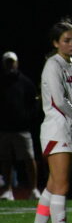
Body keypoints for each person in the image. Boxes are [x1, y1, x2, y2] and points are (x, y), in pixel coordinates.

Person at [25, 19, 72, 223]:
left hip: (69, 130)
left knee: (53, 186)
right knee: (62, 185)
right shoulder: (52, 64)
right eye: (67, 40)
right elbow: (59, 101)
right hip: (56, 129)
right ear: (55, 42)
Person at [0, 51, 41, 201]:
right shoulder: (1, 82)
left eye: (12, 62)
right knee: (6, 160)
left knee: (29, 159)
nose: (10, 65)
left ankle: (34, 189)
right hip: (4, 130)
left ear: (16, 63)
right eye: (7, 62)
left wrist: (27, 119)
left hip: (22, 129)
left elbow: (34, 104)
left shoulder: (25, 82)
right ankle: (8, 190)